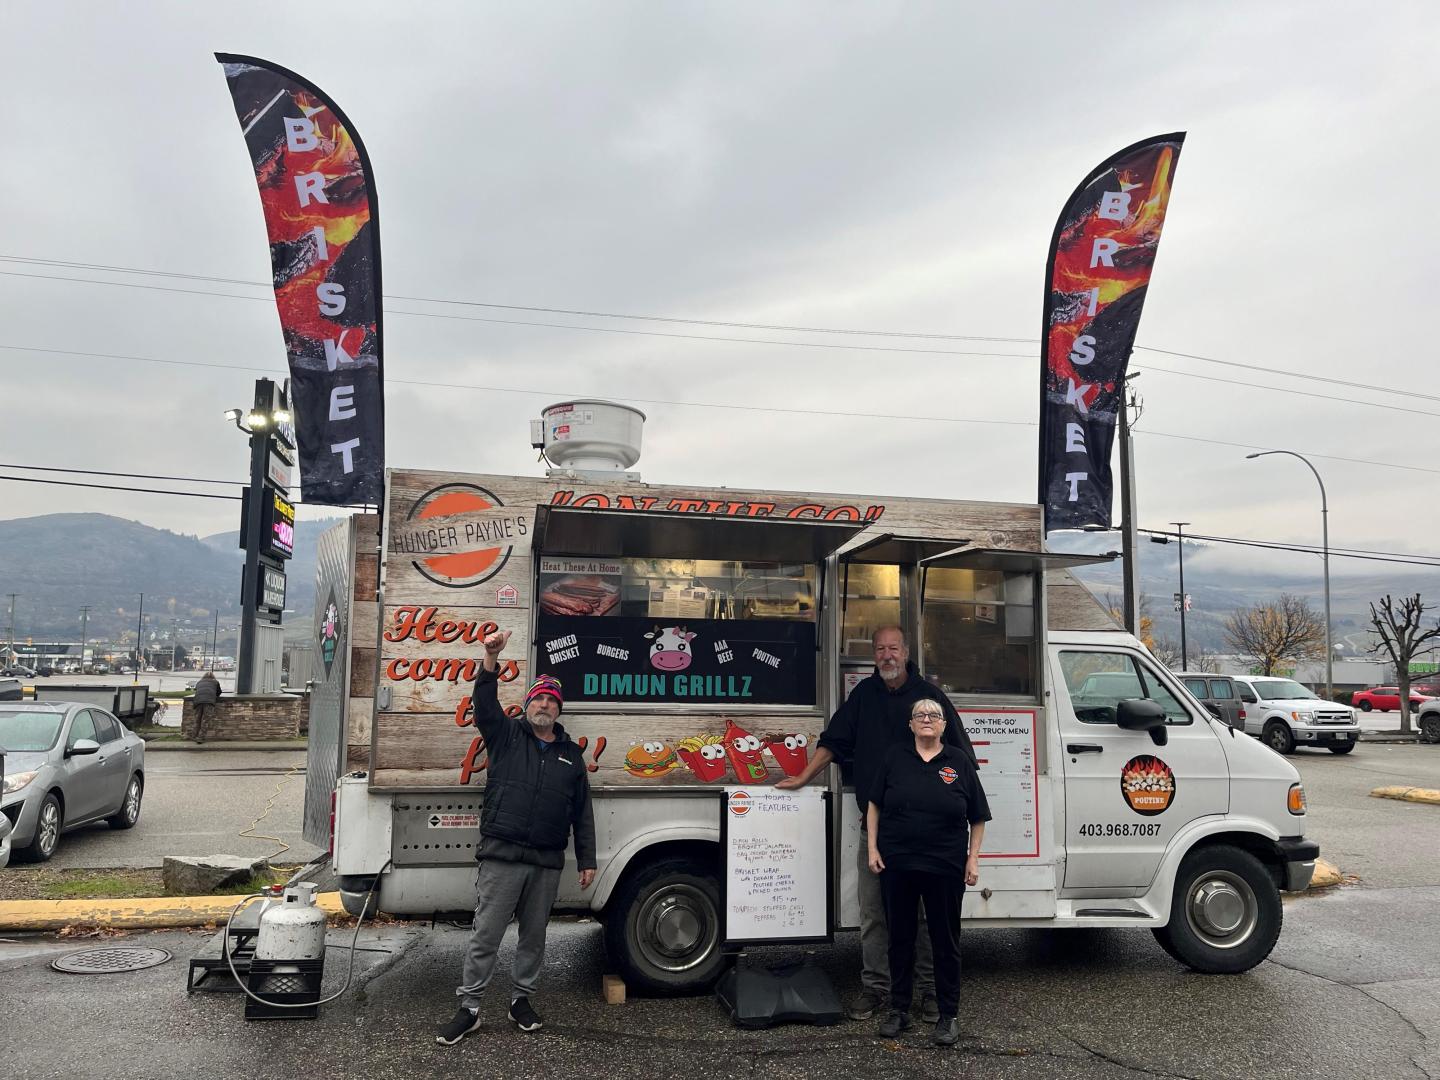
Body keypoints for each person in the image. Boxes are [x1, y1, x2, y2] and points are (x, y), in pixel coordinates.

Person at [776, 625, 976, 1023]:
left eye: (893, 648)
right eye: (880, 649)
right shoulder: (863, 697)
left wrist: (965, 830)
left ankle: (930, 993)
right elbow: (833, 742)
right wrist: (803, 777)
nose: (887, 655)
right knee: (874, 914)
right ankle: (876, 989)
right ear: (874, 656)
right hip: (879, 831)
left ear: (906, 652)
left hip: (932, 837)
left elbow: (961, 757)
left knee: (923, 919)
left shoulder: (930, 698)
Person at [437, 630, 596, 1045]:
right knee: (485, 935)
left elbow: (582, 811)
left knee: (534, 937)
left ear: (559, 709)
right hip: (502, 856)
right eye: (538, 698)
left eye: (551, 700)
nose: (544, 704)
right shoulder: (506, 734)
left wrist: (588, 858)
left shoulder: (571, 755)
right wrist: (490, 660)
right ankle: (469, 1008)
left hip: (545, 861)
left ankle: (520, 1000)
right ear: (527, 705)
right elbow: (484, 705)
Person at [867, 698, 990, 1046]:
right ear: (910, 725)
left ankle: (948, 1016)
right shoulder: (894, 758)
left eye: (933, 715)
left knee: (945, 941)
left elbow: (978, 816)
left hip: (946, 866)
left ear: (943, 725)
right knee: (900, 939)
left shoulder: (959, 761)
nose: (926, 719)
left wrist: (973, 858)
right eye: (920, 715)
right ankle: (899, 1010)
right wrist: (872, 848)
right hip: (897, 865)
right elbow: (875, 805)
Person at [191, 670, 221, 744]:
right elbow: (219, 692)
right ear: (213, 677)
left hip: (198, 701)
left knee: (197, 719)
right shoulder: (215, 682)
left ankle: (194, 735)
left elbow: (197, 690)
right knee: (205, 720)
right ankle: (200, 738)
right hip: (209, 702)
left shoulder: (199, 682)